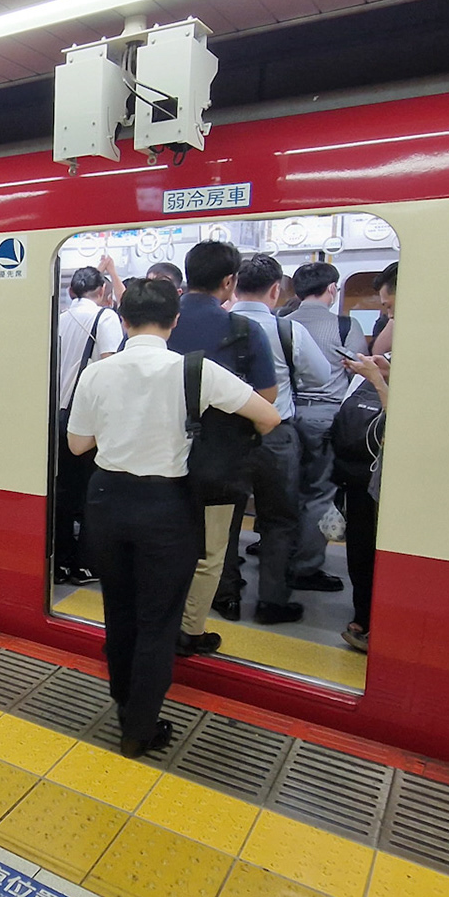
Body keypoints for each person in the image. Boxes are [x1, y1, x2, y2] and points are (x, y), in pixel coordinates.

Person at [67, 279, 279, 757]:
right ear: (174, 321)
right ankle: (139, 729)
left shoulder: (98, 373)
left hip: (107, 501)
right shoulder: (196, 371)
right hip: (167, 506)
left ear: (122, 320)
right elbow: (270, 418)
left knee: (118, 612)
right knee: (159, 620)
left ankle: (123, 702)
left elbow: (78, 444)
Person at [168, 242, 280, 644]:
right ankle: (190, 631)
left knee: (167, 542)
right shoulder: (243, 331)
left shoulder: (165, 324)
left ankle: (160, 620)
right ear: (229, 281)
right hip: (219, 458)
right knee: (211, 550)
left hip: (161, 455)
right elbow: (267, 398)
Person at [225, 255, 334, 625]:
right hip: (276, 434)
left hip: (226, 435)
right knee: (278, 520)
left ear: (233, 286)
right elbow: (320, 377)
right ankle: (272, 601)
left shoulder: (218, 326)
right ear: (276, 290)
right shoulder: (288, 331)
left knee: (224, 514)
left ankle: (225, 594)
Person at [287, 263, 369, 591]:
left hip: (286, 416)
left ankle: (278, 556)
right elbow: (360, 369)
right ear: (332, 289)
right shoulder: (346, 326)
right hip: (326, 419)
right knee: (319, 494)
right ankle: (306, 568)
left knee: (286, 490)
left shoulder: (282, 324)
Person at [337, 262, 395, 654]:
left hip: (386, 472)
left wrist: (376, 377)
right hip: (372, 473)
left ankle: (374, 620)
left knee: (369, 547)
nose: (387, 315)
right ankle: (368, 619)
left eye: (391, 308)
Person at [53, 265, 121, 586]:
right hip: (88, 418)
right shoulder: (105, 318)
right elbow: (109, 366)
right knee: (92, 492)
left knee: (63, 491)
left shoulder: (58, 319)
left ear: (70, 292)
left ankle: (60, 560)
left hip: (57, 416)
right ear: (103, 292)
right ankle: (86, 564)